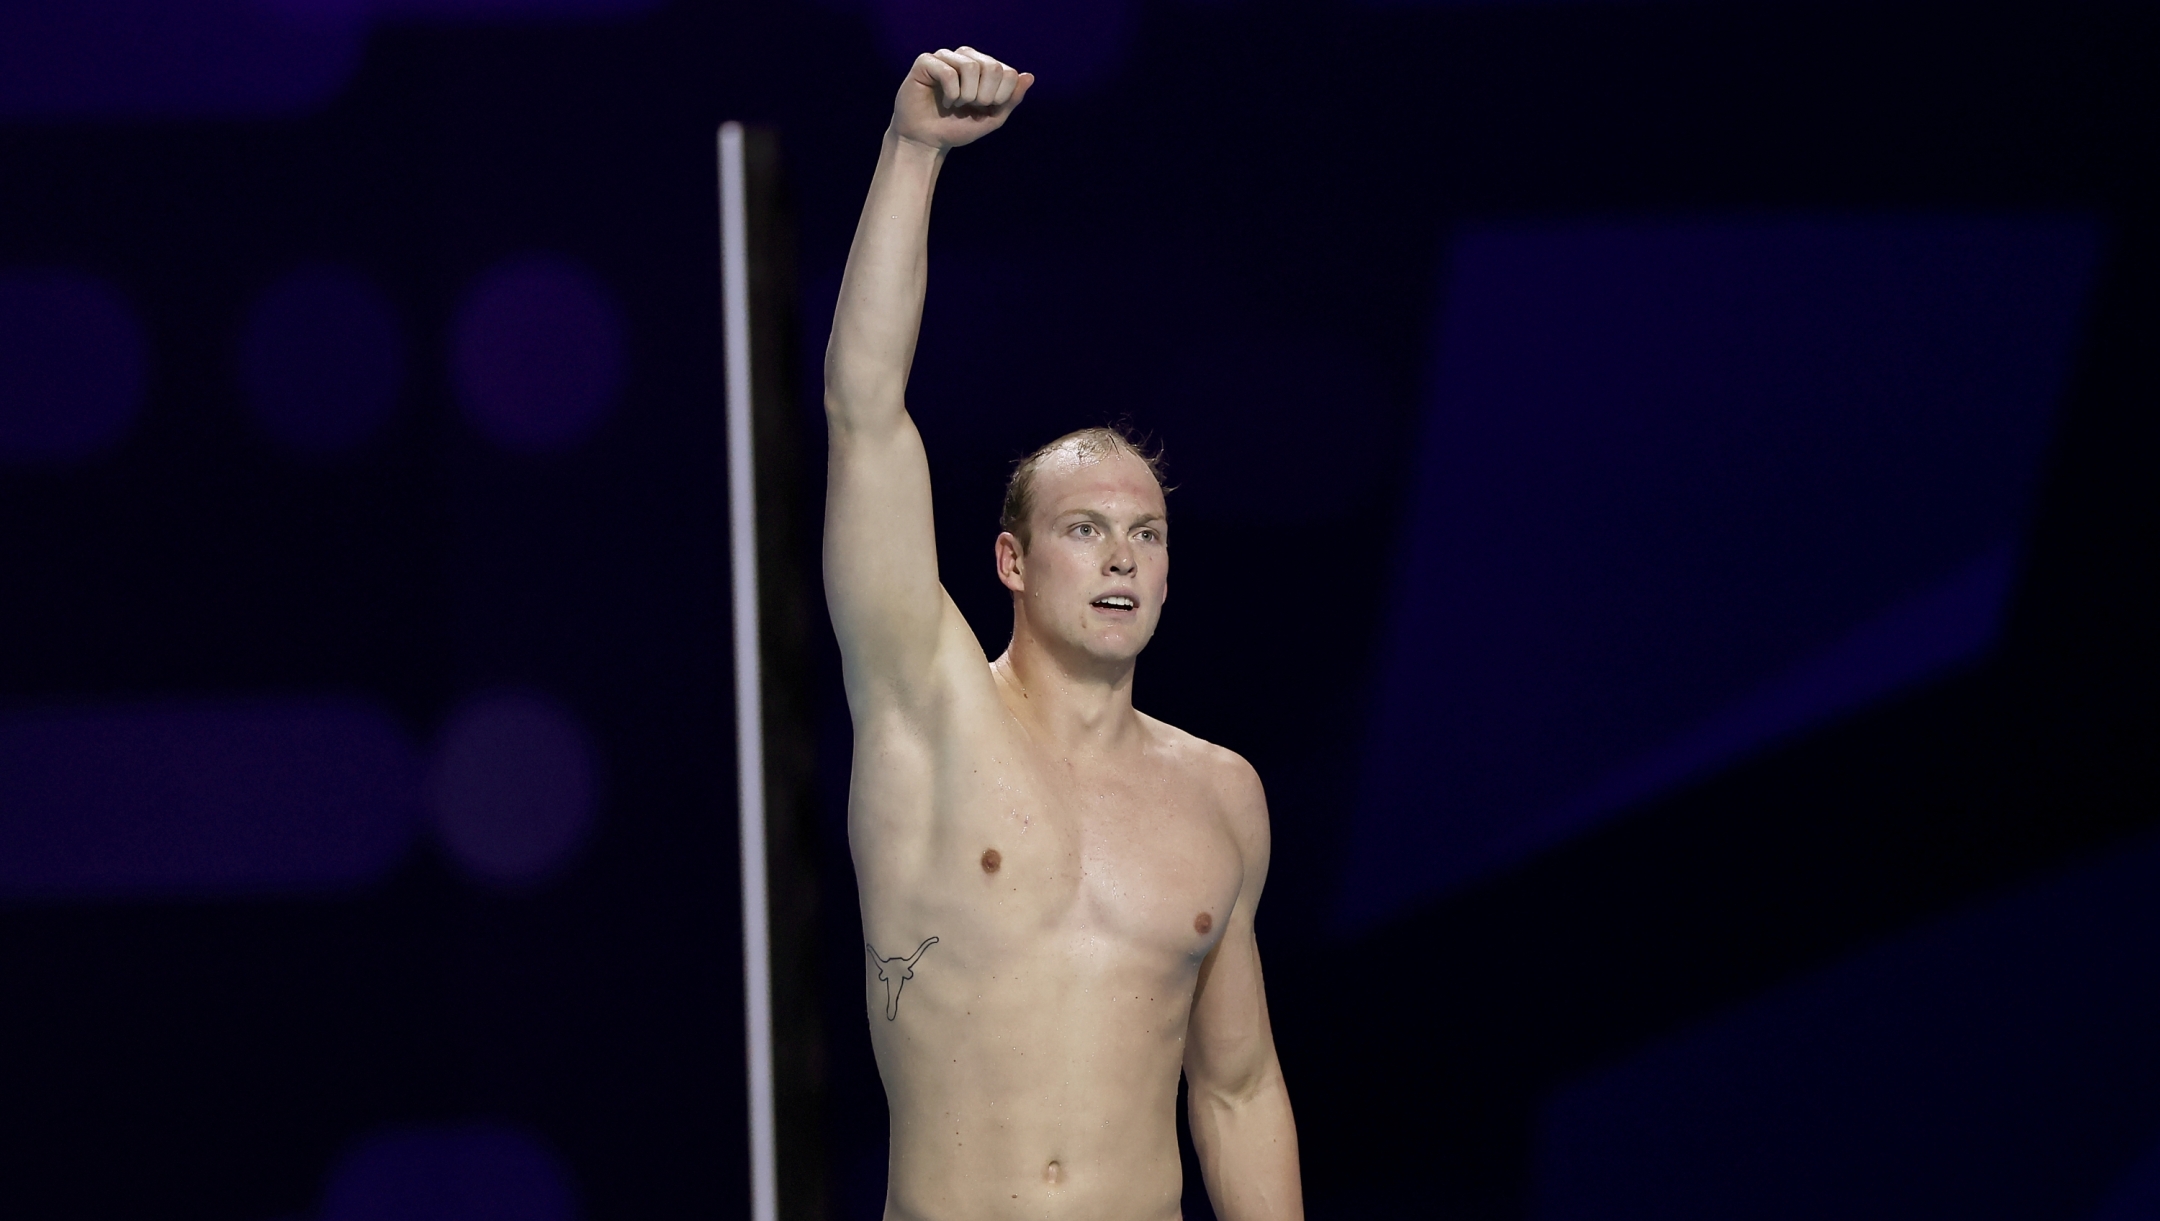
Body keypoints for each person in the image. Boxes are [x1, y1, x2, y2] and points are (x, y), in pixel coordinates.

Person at [823, 45, 1304, 1221]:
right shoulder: (926, 712)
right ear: (1011, 561)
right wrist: (913, 153)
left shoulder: (1221, 794)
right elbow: (865, 412)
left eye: (1145, 534)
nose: (1123, 555)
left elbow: (1237, 1092)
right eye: (1085, 529)